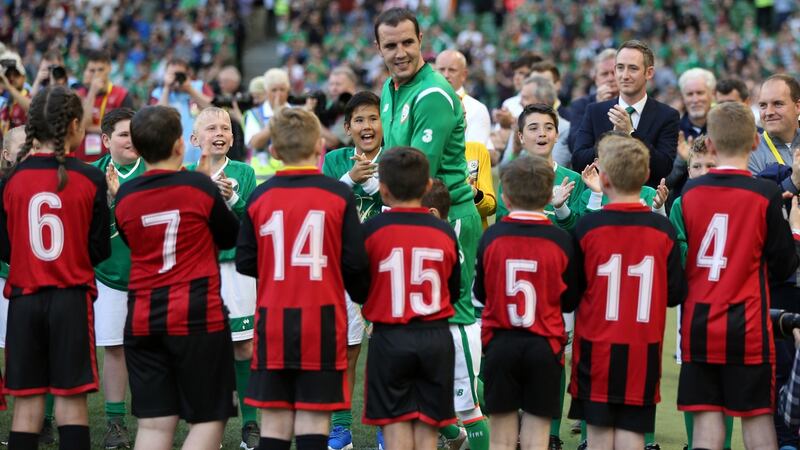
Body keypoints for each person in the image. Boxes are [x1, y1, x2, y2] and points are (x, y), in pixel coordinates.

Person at [374, 9, 489, 450]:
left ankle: (466, 420)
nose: (400, 52)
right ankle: (449, 429)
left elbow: (418, 170)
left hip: (445, 216)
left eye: (408, 42)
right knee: (419, 325)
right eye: (391, 45)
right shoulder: (390, 88)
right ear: (379, 49)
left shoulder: (434, 94)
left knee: (454, 323)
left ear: (421, 39)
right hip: (413, 216)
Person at [235, 107, 370, 450]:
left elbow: (245, 261)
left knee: (276, 422)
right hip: (321, 319)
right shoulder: (338, 195)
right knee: (313, 420)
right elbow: (355, 264)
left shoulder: (260, 196)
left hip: (274, 319)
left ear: (274, 151)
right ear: (320, 147)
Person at [115, 105, 239, 450]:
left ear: (138, 149)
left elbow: (132, 240)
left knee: (154, 425)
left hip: (143, 317)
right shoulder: (198, 186)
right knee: (208, 418)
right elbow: (230, 235)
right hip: (197, 315)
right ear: (180, 145)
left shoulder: (125, 194)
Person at [677, 102, 800, 450]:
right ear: (755, 142)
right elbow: (783, 267)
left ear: (710, 145)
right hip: (747, 324)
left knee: (706, 427)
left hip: (700, 322)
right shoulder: (765, 193)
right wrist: (793, 230)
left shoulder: (690, 192)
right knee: (756, 417)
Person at [0, 85, 111, 450]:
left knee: (27, 406)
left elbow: (5, 247)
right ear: (75, 125)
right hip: (70, 300)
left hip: (24, 300)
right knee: (71, 402)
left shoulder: (11, 180)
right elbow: (98, 249)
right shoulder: (91, 177)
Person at [568, 135, 686, 450]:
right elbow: (676, 294)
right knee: (632, 435)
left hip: (596, 348)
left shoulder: (587, 229)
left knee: (598, 437)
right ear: (646, 174)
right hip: (642, 349)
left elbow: (569, 295)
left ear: (603, 178)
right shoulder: (663, 230)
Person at [474, 154, 582, 450]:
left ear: (505, 198)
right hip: (544, 345)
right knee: (537, 437)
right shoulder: (561, 240)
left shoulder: (492, 236)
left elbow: (481, 294)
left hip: (501, 344)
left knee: (501, 438)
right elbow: (570, 299)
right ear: (548, 197)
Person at [359, 146, 460, 450]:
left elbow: (358, 286)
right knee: (427, 429)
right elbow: (454, 290)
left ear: (383, 189)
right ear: (428, 186)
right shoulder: (444, 231)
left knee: (396, 426)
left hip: (390, 336)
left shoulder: (372, 229)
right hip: (434, 336)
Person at [185, 107, 260, 450]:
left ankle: (250, 424)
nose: (220, 133)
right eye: (212, 128)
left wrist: (234, 198)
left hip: (236, 271)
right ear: (193, 138)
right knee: (203, 351)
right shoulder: (185, 175)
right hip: (198, 272)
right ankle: (206, 427)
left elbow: (253, 220)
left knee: (244, 346)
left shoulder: (244, 172)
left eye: (225, 128)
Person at [668, 136, 737, 450]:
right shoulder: (680, 204)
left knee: (727, 374)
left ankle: (724, 444)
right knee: (694, 374)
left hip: (731, 298)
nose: (704, 171)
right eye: (697, 166)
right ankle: (695, 442)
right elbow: (678, 249)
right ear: (689, 170)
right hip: (694, 301)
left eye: (711, 165)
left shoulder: (736, 200)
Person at [321, 91, 381, 450]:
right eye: (359, 120)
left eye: (373, 118)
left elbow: (402, 200)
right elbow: (324, 203)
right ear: (347, 127)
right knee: (347, 350)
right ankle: (341, 428)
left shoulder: (396, 157)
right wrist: (349, 178)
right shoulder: (335, 160)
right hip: (345, 269)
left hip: (387, 269)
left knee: (386, 353)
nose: (367, 126)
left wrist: (369, 181)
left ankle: (386, 427)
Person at [90, 107, 145, 449]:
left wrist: (120, 198)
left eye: (135, 133)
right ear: (106, 140)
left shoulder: (154, 169)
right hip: (107, 274)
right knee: (114, 348)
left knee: (154, 348)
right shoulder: (90, 175)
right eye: (124, 134)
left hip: (150, 275)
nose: (131, 140)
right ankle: (115, 422)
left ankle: (155, 417)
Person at [572, 40, 680, 187]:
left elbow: (664, 167)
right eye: (620, 68)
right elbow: (578, 161)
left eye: (633, 68)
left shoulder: (667, 115)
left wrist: (631, 133)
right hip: (600, 196)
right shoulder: (594, 111)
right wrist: (611, 138)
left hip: (644, 198)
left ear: (649, 73)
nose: (625, 75)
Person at [496, 104, 584, 230]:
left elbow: (578, 229)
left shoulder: (573, 179)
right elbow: (502, 225)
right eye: (533, 128)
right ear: (521, 137)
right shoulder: (509, 178)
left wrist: (561, 208)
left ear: (557, 135)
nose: (542, 133)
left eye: (549, 128)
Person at [149, 58, 214, 163]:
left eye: (179, 74)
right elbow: (157, 118)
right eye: (171, 74)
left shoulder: (199, 86)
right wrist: (167, 88)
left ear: (187, 74)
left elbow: (214, 109)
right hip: (170, 151)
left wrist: (189, 89)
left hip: (200, 151)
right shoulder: (158, 92)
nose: (175, 78)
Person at [75, 49, 135, 162]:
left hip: (111, 160)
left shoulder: (121, 95)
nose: (96, 74)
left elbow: (125, 130)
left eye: (101, 69)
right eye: (92, 70)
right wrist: (92, 92)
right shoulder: (79, 95)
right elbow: (81, 126)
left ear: (109, 68)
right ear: (86, 71)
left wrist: (90, 128)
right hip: (82, 159)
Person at [435, 50, 493, 150]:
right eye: (441, 70)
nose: (446, 75)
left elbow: (473, 154)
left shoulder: (477, 109)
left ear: (464, 75)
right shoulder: (423, 102)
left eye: (452, 70)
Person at [566, 49, 619, 150]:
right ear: (595, 78)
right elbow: (574, 144)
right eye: (604, 74)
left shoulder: (631, 103)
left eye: (614, 73)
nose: (610, 78)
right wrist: (599, 108)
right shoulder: (580, 105)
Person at [748, 74, 800, 176]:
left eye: (778, 104)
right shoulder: (750, 152)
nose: (769, 112)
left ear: (797, 107)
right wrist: (793, 182)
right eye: (763, 105)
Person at [245, 68, 289, 183]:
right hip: (262, 180)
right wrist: (275, 118)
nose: (278, 94)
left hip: (290, 176)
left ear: (288, 90)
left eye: (282, 89)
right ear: (266, 91)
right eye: (274, 90)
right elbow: (254, 143)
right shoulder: (254, 114)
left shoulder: (296, 112)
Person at [0, 51, 30, 140]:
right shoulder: (6, 104)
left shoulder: (29, 97)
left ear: (24, 77)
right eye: (8, 75)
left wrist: (9, 87)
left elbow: (31, 108)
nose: (11, 78)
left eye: (16, 74)